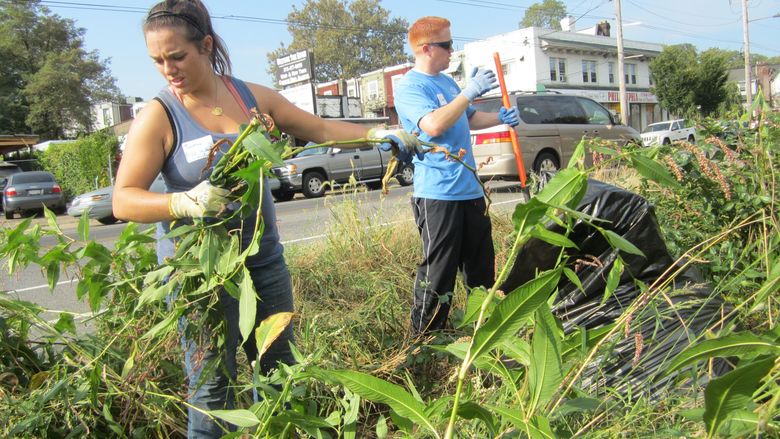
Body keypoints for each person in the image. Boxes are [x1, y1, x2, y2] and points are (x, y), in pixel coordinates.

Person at [112, 1, 417, 437]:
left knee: (279, 373)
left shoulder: (249, 97)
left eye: (177, 56)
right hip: (201, 275)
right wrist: (183, 202)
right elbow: (124, 200)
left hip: (263, 262)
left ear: (205, 45)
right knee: (211, 389)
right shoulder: (159, 116)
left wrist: (375, 133)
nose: (168, 69)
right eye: (158, 60)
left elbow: (320, 130)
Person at [393, 16, 520, 335]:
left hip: (470, 191)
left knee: (481, 270)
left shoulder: (448, 84)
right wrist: (469, 91)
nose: (452, 51)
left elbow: (470, 118)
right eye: (447, 45)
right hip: (438, 195)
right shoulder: (411, 87)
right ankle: (424, 342)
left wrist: (500, 117)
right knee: (438, 273)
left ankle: (484, 332)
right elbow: (433, 125)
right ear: (425, 49)